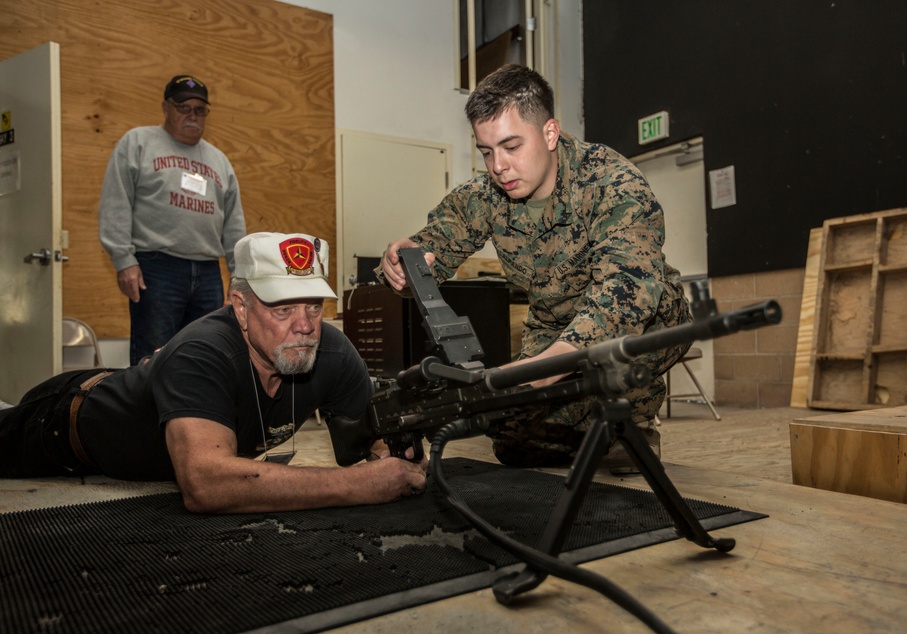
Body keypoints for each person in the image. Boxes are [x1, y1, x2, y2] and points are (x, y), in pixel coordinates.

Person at [379, 64, 691, 474]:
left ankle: (631, 416)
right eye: (487, 151)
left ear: (549, 133)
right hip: (551, 327)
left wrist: (545, 371)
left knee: (624, 343)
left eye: (511, 146)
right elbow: (432, 250)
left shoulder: (611, 182)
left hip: (641, 322)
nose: (498, 166)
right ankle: (589, 419)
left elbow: (626, 291)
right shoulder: (485, 195)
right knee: (513, 444)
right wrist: (405, 264)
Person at [0, 232, 428, 513]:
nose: (305, 325)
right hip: (61, 424)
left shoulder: (330, 351)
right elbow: (206, 484)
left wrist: (390, 454)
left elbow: (371, 443)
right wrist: (355, 486)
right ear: (240, 308)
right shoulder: (202, 352)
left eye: (314, 306)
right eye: (283, 309)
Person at [99, 74, 247, 366]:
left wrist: (239, 275)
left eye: (200, 110)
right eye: (183, 107)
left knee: (206, 355)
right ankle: (148, 414)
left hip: (207, 272)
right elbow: (115, 202)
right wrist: (123, 260)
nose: (193, 115)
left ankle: (195, 412)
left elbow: (233, 223)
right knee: (153, 359)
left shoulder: (219, 161)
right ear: (166, 107)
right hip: (157, 268)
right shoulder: (138, 142)